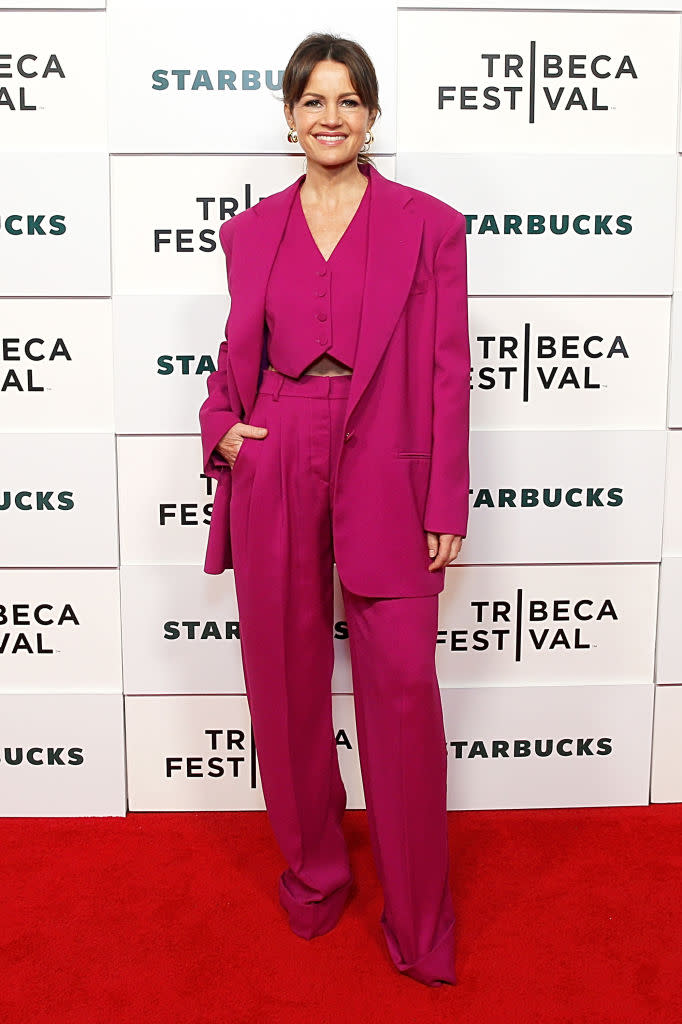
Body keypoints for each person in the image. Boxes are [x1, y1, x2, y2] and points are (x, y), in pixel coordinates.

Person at [199, 32, 470, 988]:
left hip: (387, 466)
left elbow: (447, 372)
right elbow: (232, 358)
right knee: (283, 683)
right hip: (278, 453)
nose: (330, 116)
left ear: (372, 116)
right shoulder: (248, 232)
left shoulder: (429, 227)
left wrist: (445, 497)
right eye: (312, 100)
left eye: (348, 100)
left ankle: (421, 917)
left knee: (401, 695)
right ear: (287, 116)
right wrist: (223, 428)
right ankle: (316, 877)